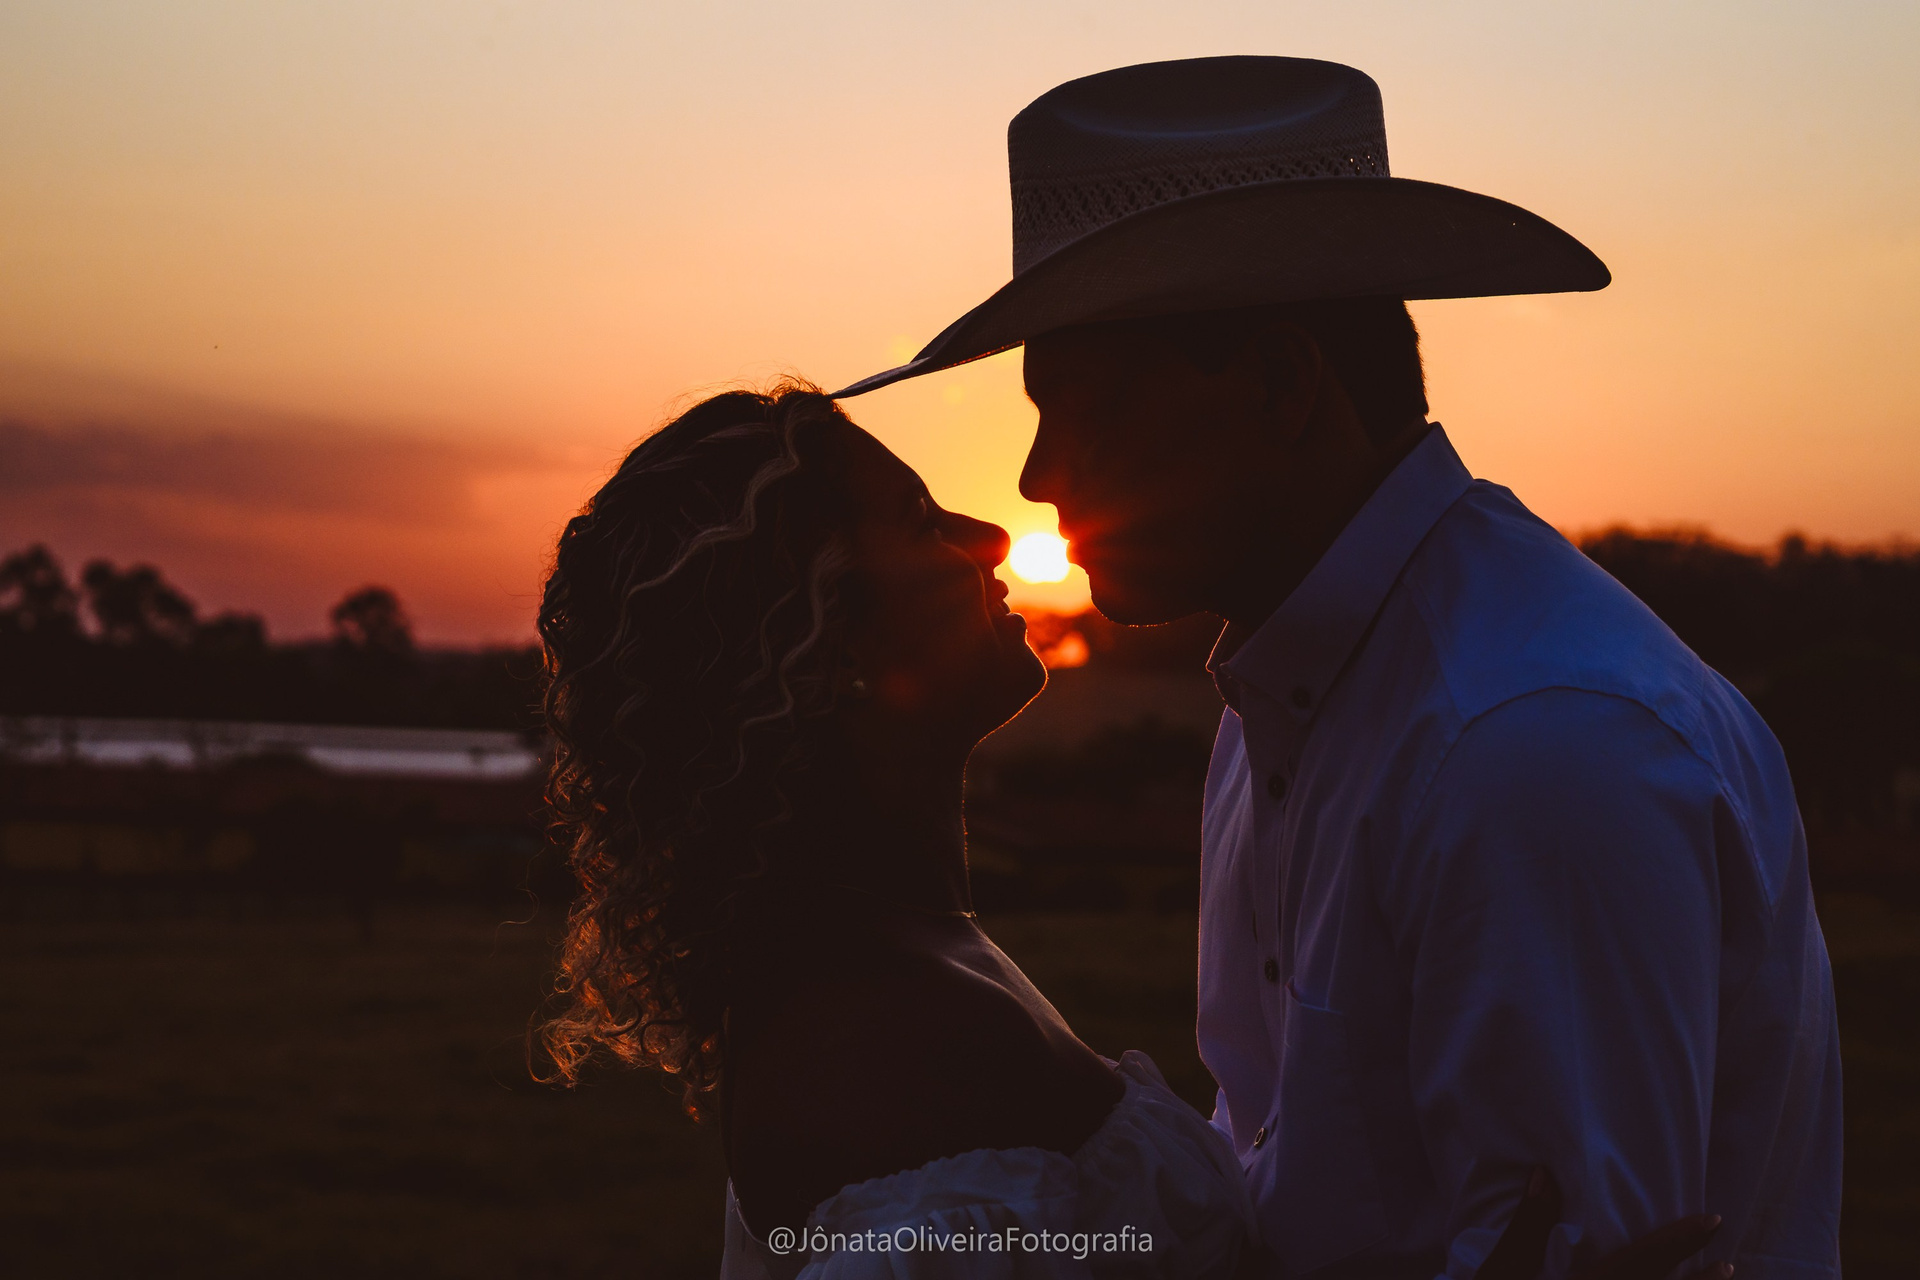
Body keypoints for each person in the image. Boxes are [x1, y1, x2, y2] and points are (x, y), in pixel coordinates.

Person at [829, 57, 1842, 1279]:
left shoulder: (1525, 748)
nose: (1038, 475)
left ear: (1280, 383)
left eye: (1085, 407)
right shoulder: (1281, 709)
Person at [535, 384, 1727, 1280]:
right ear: (822, 645)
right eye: (919, 519)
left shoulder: (917, 949)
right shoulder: (870, 1042)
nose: (989, 531)